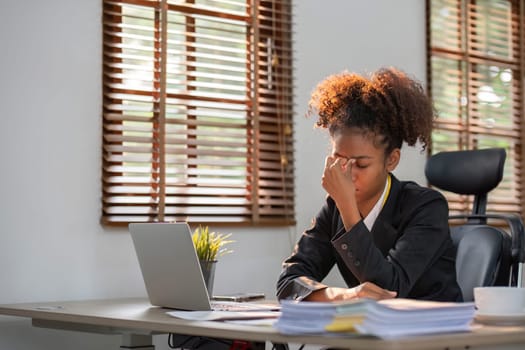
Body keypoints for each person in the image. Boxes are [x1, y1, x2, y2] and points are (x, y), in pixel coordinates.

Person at [277, 67, 463, 302]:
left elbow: (390, 289)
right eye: (339, 160)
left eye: (361, 165)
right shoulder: (335, 207)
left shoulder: (426, 207)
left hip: (430, 332)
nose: (347, 173)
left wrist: (348, 209)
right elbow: (289, 281)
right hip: (371, 333)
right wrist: (342, 296)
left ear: (391, 160)